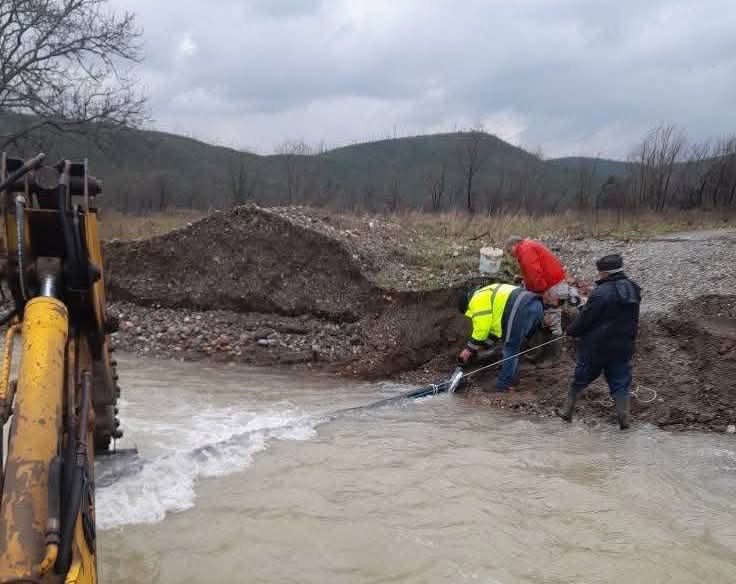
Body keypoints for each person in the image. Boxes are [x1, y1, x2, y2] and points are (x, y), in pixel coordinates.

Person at [557, 254, 641, 429]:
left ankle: (566, 412)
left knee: (581, 377)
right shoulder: (634, 288)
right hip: (623, 345)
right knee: (620, 382)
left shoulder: (601, 292)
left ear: (604, 273)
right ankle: (624, 421)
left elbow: (586, 318)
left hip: (597, 346)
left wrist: (571, 331)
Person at [457, 282, 544, 392]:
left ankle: (503, 385)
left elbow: (482, 329)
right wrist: (479, 348)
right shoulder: (486, 294)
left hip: (520, 308)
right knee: (516, 347)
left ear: (467, 307)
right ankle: (513, 380)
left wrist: (468, 350)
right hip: (536, 305)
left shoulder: (476, 300)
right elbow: (494, 334)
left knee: (510, 347)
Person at [504, 236, 580, 353]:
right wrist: (524, 279)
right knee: (551, 315)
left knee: (551, 317)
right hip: (554, 281)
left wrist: (542, 292)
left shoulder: (525, 251)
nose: (511, 255)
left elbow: (534, 273)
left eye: (510, 251)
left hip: (551, 285)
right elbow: (534, 270)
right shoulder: (528, 245)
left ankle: (554, 354)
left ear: (514, 245)